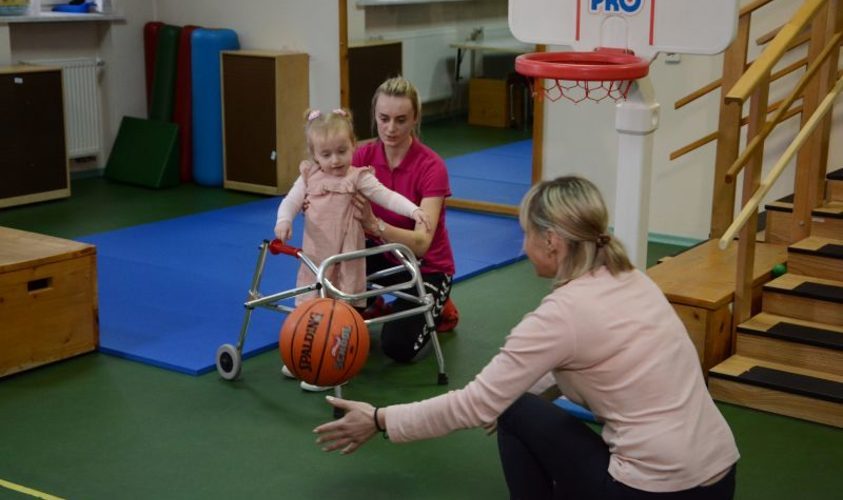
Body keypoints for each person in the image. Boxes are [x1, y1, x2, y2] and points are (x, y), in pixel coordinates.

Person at [314, 176, 740, 499]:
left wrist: (379, 419)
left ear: (551, 241)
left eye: (527, 234)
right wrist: (507, 394)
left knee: (512, 409)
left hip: (657, 490)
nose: (523, 246)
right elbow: (569, 363)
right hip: (721, 477)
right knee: (514, 401)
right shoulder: (633, 279)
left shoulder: (560, 315)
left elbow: (475, 404)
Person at [275, 108, 430, 390]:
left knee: (340, 313)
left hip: (346, 258)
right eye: (326, 154)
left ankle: (335, 366)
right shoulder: (309, 176)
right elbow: (291, 201)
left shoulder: (358, 177)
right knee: (309, 307)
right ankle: (303, 356)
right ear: (314, 155)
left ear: (353, 145)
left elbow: (387, 196)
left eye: (342, 151)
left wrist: (414, 210)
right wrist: (284, 221)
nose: (335, 160)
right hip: (316, 256)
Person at [351, 76, 459, 363]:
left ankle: (441, 307)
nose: (390, 128)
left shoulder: (432, 167)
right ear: (374, 116)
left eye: (401, 120)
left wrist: (375, 226)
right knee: (332, 302)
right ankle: (372, 301)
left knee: (397, 347)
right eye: (383, 118)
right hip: (382, 255)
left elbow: (422, 243)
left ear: (415, 118)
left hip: (426, 267)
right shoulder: (362, 156)